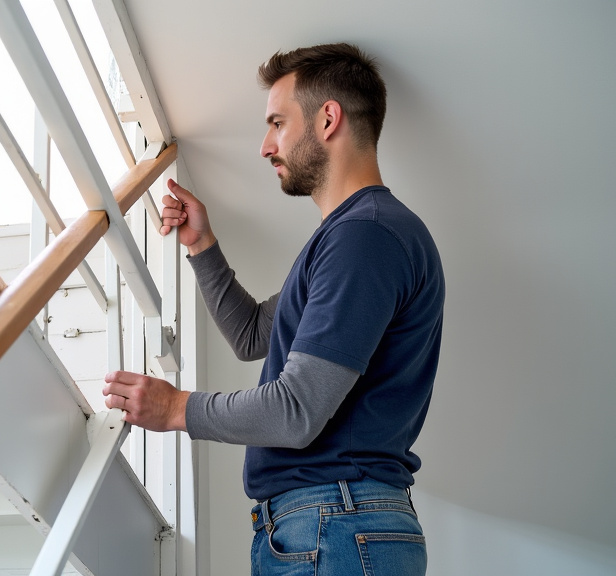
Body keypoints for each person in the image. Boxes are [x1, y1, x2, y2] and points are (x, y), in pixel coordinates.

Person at [102, 43, 444, 575]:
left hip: (334, 523)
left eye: (277, 123)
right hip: (328, 525)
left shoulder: (365, 237)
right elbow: (254, 334)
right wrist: (202, 245)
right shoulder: (349, 237)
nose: (265, 146)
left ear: (328, 119)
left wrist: (175, 409)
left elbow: (297, 411)